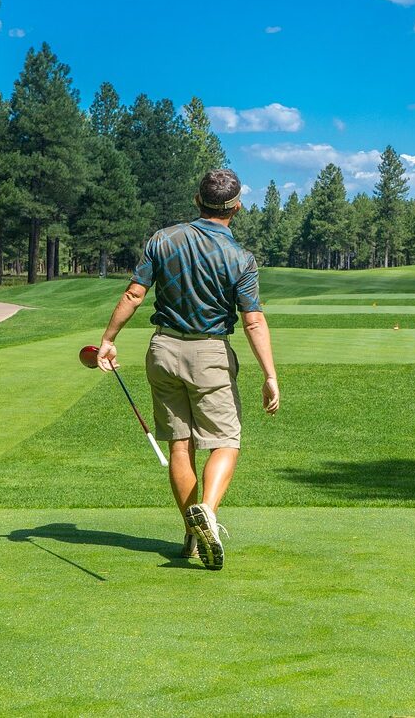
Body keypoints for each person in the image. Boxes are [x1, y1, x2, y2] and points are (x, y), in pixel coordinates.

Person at [96, 169, 279, 571]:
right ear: (238, 206)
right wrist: (269, 375)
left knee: (181, 445)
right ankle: (208, 515)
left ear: (197, 200)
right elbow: (252, 321)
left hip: (162, 349)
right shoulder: (241, 258)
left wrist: (109, 339)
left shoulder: (162, 239)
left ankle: (193, 535)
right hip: (209, 353)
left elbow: (134, 293)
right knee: (226, 441)